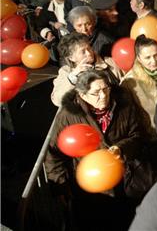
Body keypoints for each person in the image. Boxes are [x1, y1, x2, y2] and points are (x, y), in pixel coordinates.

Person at [46, 70, 151, 231]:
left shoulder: (123, 105)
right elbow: (54, 154)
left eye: (106, 89)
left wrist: (121, 148)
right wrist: (61, 187)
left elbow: (137, 134)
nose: (103, 95)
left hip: (126, 179)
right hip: (91, 188)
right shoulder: (68, 115)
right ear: (82, 95)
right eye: (96, 92)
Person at [51, 33, 122, 107]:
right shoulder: (66, 72)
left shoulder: (109, 63)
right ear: (71, 58)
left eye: (89, 48)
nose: (89, 53)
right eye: (83, 52)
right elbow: (58, 101)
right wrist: (73, 78)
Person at [121, 35, 157, 127]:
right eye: (147, 58)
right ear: (139, 59)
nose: (153, 61)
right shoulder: (129, 81)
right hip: (152, 133)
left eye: (156, 55)